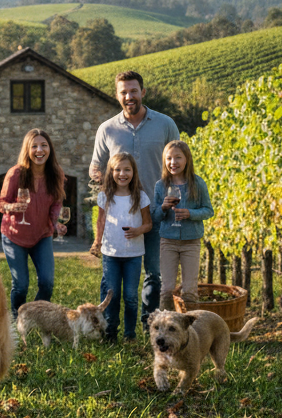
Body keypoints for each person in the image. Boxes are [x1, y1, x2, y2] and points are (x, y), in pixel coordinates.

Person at [89, 70, 180, 326]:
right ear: (117, 95)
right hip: (120, 218)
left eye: (133, 91)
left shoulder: (165, 124)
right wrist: (99, 177)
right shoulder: (106, 129)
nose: (129, 96)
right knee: (112, 277)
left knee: (153, 273)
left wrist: (174, 196)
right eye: (123, 92)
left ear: (143, 92)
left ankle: (146, 324)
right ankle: (106, 325)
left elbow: (179, 162)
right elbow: (96, 166)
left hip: (158, 212)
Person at [0, 128, 66, 318]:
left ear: (49, 149)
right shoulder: (16, 174)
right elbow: (1, 204)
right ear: (27, 149)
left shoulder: (56, 174)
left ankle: (35, 316)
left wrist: (56, 224)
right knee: (21, 285)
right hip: (14, 236)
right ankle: (16, 319)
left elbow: (56, 204)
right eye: (34, 146)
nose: (39, 150)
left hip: (42, 236)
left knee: (47, 282)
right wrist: (12, 208)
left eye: (44, 145)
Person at [89, 151, 151, 341]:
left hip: (133, 254)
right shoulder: (105, 196)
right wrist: (97, 242)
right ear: (111, 171)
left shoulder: (140, 197)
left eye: (127, 170)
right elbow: (100, 222)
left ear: (133, 172)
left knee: (131, 297)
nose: (122, 174)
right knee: (112, 294)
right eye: (117, 170)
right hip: (111, 253)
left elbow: (148, 224)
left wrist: (138, 230)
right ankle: (110, 332)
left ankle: (130, 334)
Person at [151, 139, 213, 310]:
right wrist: (163, 208)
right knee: (167, 289)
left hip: (191, 242)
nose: (173, 162)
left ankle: (191, 330)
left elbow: (208, 210)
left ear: (187, 159)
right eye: (169, 158)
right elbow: (155, 216)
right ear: (164, 161)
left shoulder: (198, 183)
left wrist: (190, 214)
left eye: (178, 157)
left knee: (190, 290)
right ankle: (164, 327)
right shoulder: (160, 186)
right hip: (168, 242)